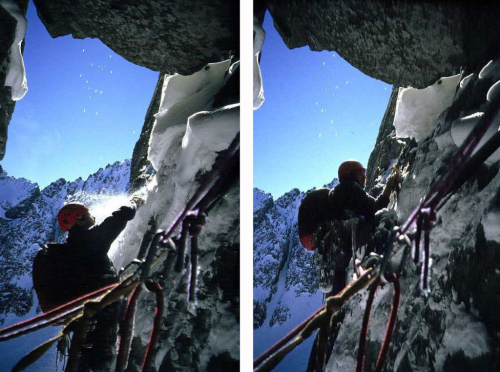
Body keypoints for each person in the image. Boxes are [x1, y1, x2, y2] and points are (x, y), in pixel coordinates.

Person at [34, 199, 141, 372]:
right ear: (80, 220)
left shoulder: (67, 251)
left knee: (87, 359)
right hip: (102, 312)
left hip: (83, 317)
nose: (92, 216)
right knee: (101, 360)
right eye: (87, 214)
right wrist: (135, 202)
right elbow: (119, 218)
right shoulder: (91, 241)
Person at [326, 159, 401, 295]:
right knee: (387, 215)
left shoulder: (333, 194)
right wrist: (389, 187)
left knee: (338, 288)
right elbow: (376, 208)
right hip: (355, 242)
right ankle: (380, 264)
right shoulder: (352, 189)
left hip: (338, 253)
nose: (365, 177)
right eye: (361, 173)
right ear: (351, 175)